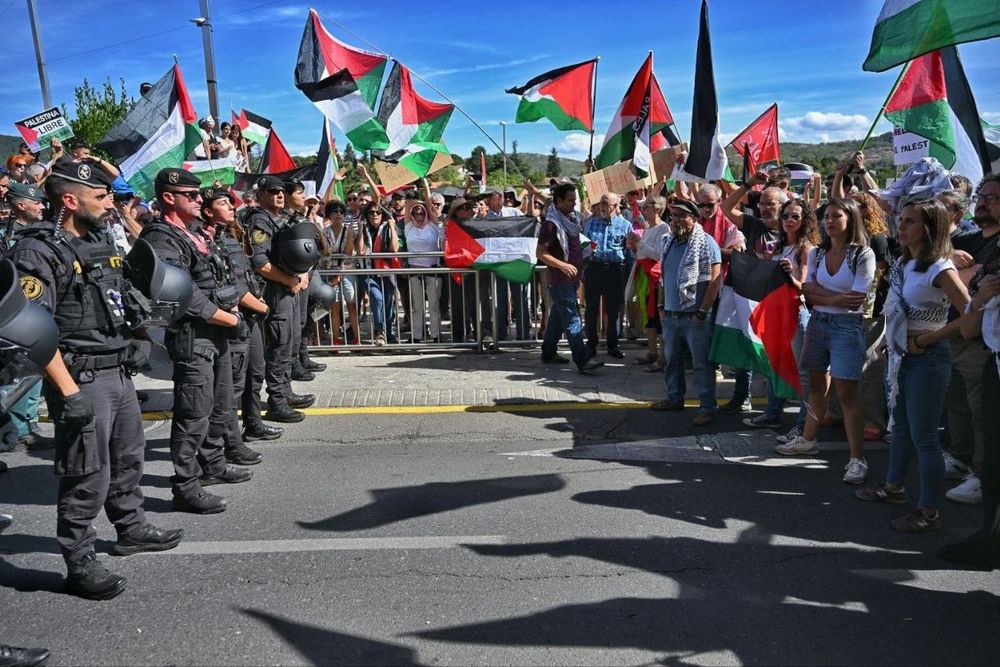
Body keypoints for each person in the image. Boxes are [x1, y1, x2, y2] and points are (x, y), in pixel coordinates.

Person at [11, 157, 184, 599]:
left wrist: (141, 335)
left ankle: (131, 528)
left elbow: (120, 297)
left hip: (118, 369)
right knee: (86, 472)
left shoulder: (101, 239)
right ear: (70, 200)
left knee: (129, 459)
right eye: (101, 196)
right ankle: (80, 559)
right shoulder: (38, 251)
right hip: (79, 374)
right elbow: (33, 328)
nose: (111, 204)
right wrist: (67, 391)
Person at [140, 169, 253, 514]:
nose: (198, 199)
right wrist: (229, 317)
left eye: (198, 194)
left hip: (215, 335)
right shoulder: (162, 238)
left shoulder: (191, 234)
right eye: (190, 195)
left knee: (219, 404)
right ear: (168, 198)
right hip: (193, 337)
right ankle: (186, 485)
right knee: (193, 413)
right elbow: (182, 295)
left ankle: (213, 463)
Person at [856, 198, 969, 532]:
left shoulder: (940, 268)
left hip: (927, 359)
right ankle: (893, 487)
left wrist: (927, 340)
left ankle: (928, 510)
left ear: (930, 228)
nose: (901, 227)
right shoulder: (907, 264)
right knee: (901, 428)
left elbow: (969, 314)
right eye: (901, 220)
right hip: (902, 357)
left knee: (925, 438)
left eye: (910, 222)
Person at [777, 197, 876, 485]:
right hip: (819, 322)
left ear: (851, 219)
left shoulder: (863, 254)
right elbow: (807, 290)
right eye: (827, 217)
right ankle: (808, 439)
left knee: (846, 394)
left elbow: (857, 297)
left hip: (846, 327)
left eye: (836, 216)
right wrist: (832, 298)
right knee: (817, 386)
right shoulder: (818, 253)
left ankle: (857, 458)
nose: (829, 221)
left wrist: (822, 295)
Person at [942, 173, 1000, 568]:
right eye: (985, 197)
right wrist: (979, 295)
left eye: (994, 198)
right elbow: (970, 321)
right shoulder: (981, 247)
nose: (988, 204)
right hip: (986, 349)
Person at [200, 186, 271, 463]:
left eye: (232, 202)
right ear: (208, 211)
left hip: (248, 316)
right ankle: (231, 442)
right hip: (233, 318)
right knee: (233, 386)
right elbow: (232, 287)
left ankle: (251, 424)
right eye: (223, 203)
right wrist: (263, 307)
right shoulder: (206, 243)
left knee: (255, 374)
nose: (232, 207)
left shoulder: (228, 237)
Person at [743, 199, 818, 438]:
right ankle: (773, 413)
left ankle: (802, 425)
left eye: (794, 217)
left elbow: (804, 286)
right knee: (775, 366)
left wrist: (789, 274)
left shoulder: (806, 248)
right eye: (785, 216)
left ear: (804, 220)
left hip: (796, 314)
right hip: (776, 313)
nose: (788, 221)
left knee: (802, 373)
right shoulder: (779, 246)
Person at [244, 175, 315, 422]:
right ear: (261, 194)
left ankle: (285, 392)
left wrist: (298, 275)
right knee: (280, 343)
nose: (279, 194)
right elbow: (260, 263)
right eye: (272, 191)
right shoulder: (259, 220)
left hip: (288, 288)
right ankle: (276, 401)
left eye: (281, 191)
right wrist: (289, 281)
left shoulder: (278, 218)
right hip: (275, 290)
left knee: (290, 340)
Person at [650, 199, 723, 426]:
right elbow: (663, 278)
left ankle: (707, 407)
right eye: (673, 216)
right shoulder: (668, 243)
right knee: (672, 360)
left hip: (695, 318)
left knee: (701, 364)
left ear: (694, 218)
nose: (677, 220)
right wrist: (661, 307)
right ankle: (674, 398)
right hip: (671, 316)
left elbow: (714, 280)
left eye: (682, 216)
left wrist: (702, 311)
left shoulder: (706, 242)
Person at [536, 183, 603, 374]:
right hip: (560, 280)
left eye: (575, 199)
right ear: (558, 201)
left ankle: (548, 353)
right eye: (570, 200)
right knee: (573, 318)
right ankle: (582, 360)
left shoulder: (571, 220)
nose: (574, 204)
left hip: (572, 279)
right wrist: (563, 265)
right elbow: (540, 253)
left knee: (558, 317)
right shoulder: (551, 224)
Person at [583, 192, 632, 358]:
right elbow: (584, 246)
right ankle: (591, 344)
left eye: (606, 204)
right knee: (591, 308)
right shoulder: (591, 223)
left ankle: (613, 345)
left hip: (614, 270)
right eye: (601, 203)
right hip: (594, 268)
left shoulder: (625, 225)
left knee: (613, 310)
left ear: (616, 207)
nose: (602, 207)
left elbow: (629, 249)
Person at [629, 195, 671, 371]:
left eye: (646, 207)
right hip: (644, 276)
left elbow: (658, 255)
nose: (643, 210)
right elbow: (643, 253)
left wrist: (639, 243)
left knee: (657, 316)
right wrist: (635, 248)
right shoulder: (648, 228)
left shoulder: (663, 228)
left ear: (657, 209)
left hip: (655, 278)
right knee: (649, 316)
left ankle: (662, 357)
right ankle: (652, 352)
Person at [358, 200, 399, 345]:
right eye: (371, 212)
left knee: (388, 303)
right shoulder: (364, 229)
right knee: (376, 297)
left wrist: (393, 227)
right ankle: (379, 330)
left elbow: (394, 249)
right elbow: (361, 252)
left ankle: (389, 333)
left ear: (382, 215)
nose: (374, 214)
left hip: (387, 272)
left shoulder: (387, 228)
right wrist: (361, 229)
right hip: (369, 272)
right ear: (367, 215)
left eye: (378, 212)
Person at [322, 200, 360, 346]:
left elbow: (349, 252)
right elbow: (327, 253)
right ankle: (336, 340)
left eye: (341, 212)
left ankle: (357, 340)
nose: (338, 214)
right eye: (334, 212)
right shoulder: (325, 231)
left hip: (348, 271)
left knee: (351, 303)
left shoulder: (349, 230)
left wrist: (350, 234)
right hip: (331, 272)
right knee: (335, 307)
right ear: (329, 215)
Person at [404, 201, 442, 343]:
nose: (419, 216)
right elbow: (408, 205)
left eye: (421, 213)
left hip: (431, 270)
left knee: (433, 304)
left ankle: (436, 334)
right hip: (415, 271)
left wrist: (425, 185)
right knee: (417, 306)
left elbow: (431, 206)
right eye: (416, 213)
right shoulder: (409, 227)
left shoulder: (432, 226)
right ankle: (417, 335)